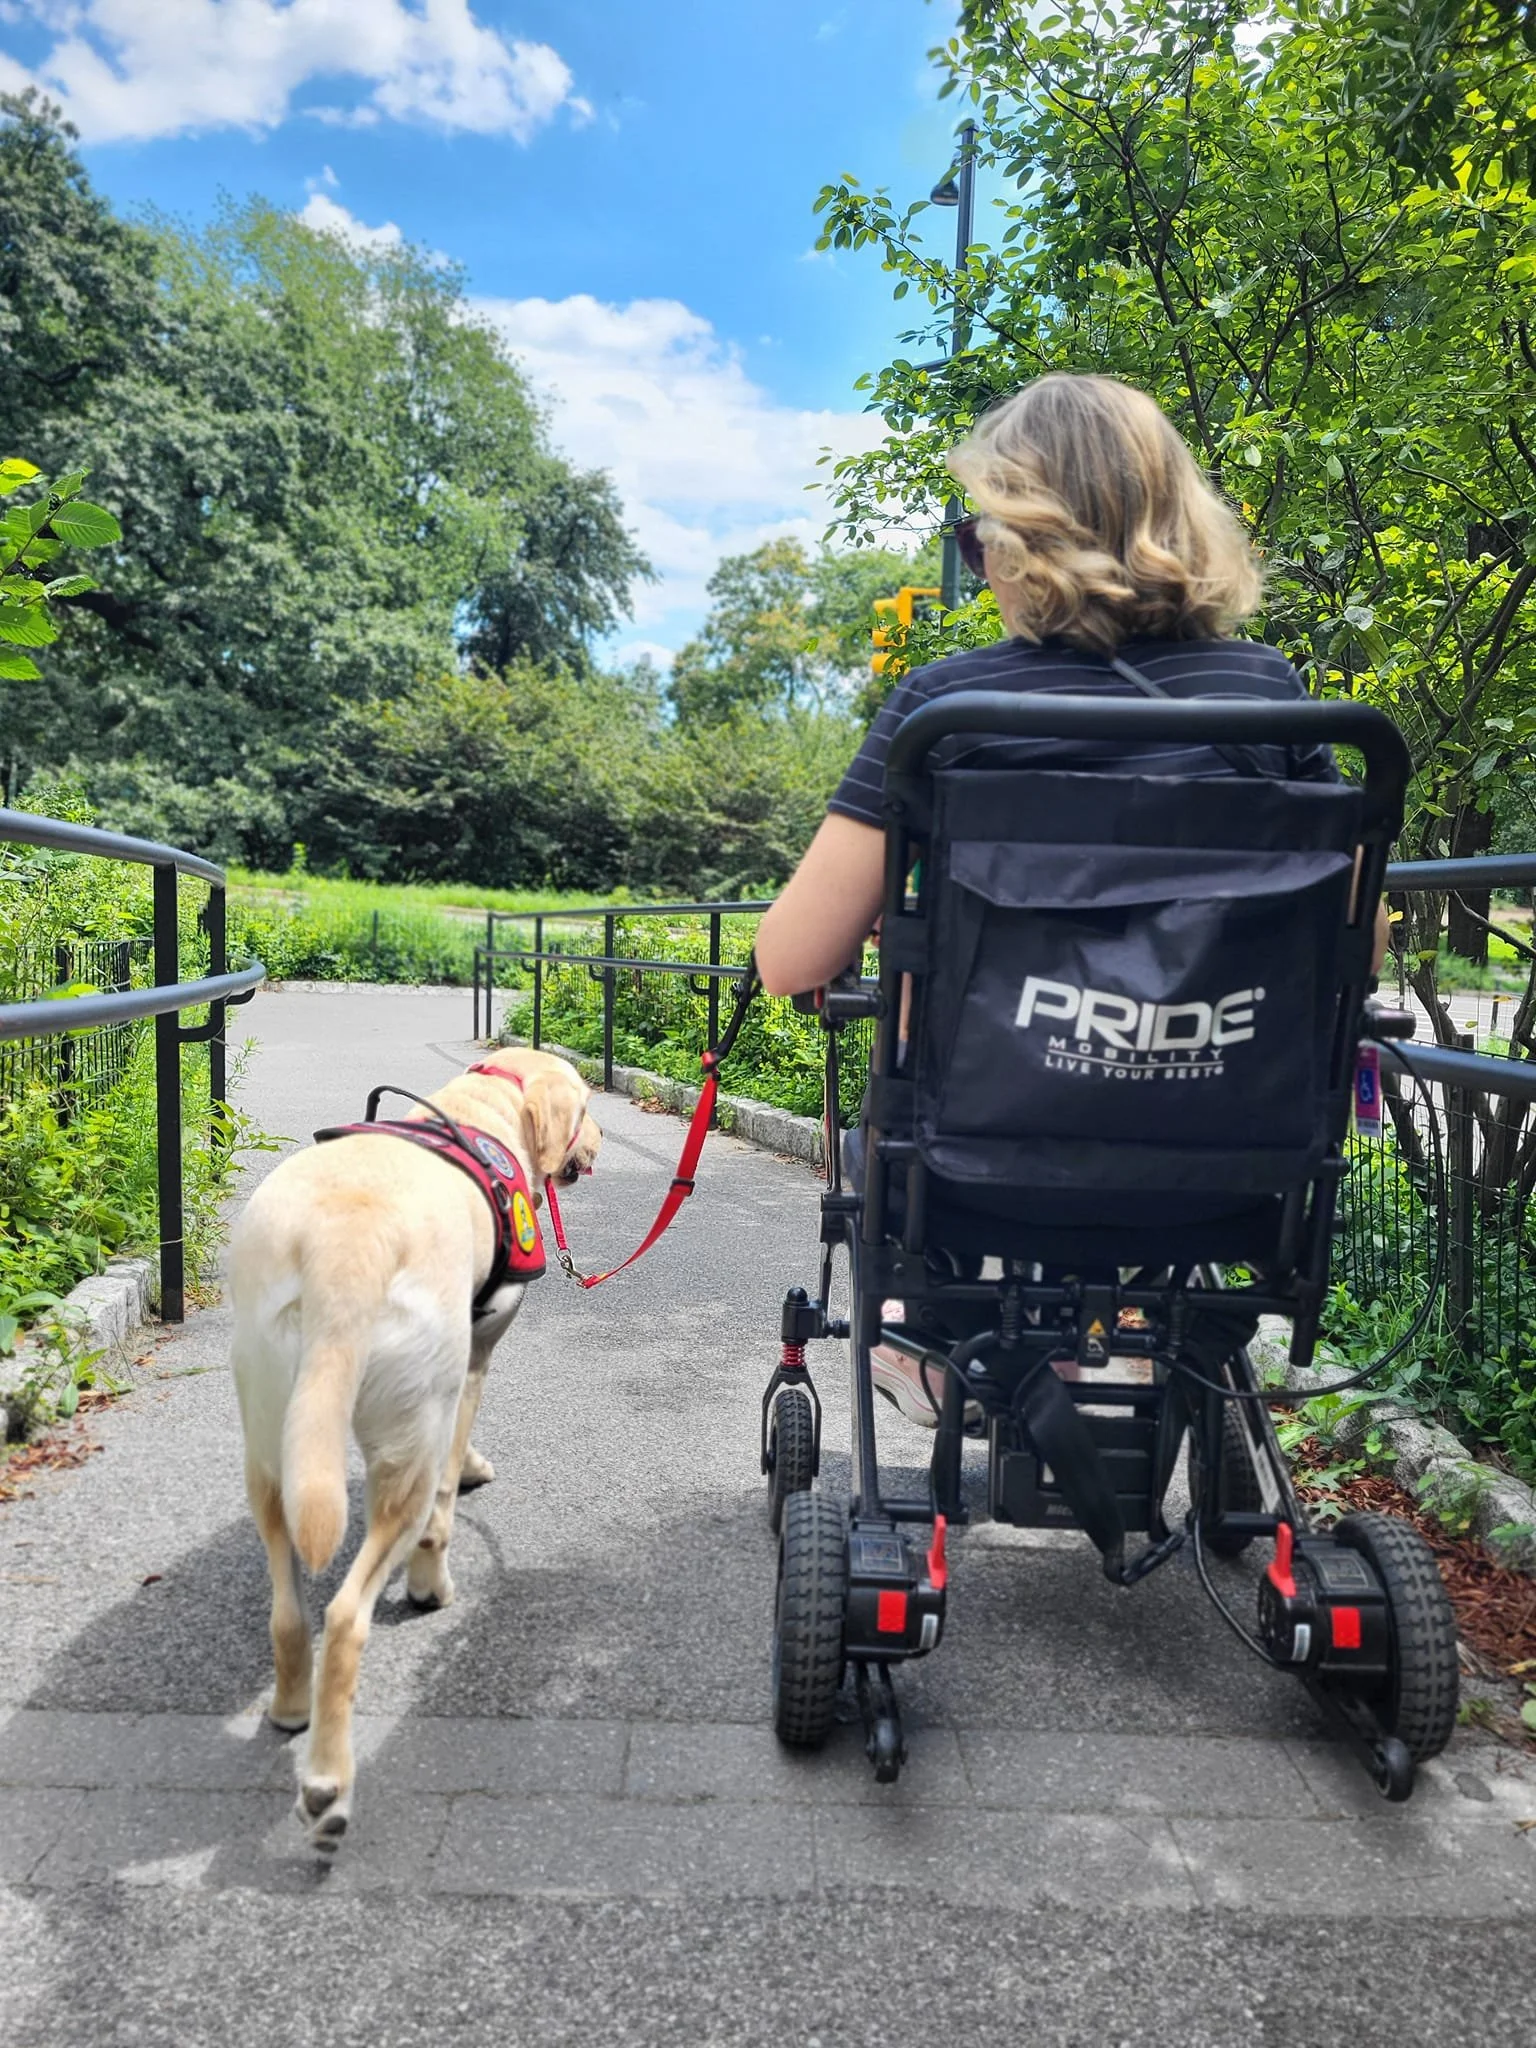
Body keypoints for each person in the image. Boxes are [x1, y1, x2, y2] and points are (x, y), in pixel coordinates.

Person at [754, 372, 1389, 1424]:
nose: (983, 562)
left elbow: (790, 958)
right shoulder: (1270, 696)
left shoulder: (949, 709)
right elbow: (1354, 952)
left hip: (981, 1167)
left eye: (981, 537)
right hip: (1229, 1171)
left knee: (885, 1093)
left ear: (1024, 542)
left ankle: (922, 1342)